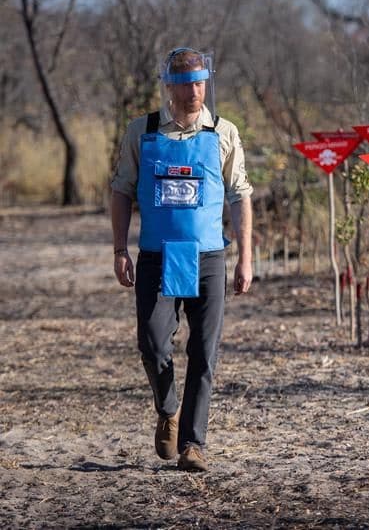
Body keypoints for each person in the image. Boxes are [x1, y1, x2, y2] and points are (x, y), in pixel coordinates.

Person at [110, 47, 253, 472]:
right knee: (152, 343)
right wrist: (120, 249)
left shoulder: (223, 132)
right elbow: (120, 190)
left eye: (199, 81)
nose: (193, 90)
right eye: (184, 82)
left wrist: (246, 257)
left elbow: (240, 194)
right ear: (168, 85)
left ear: (207, 81)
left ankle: (193, 443)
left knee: (204, 352)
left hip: (208, 255)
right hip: (156, 255)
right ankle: (168, 407)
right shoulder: (143, 131)